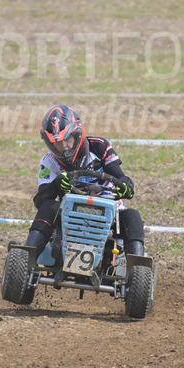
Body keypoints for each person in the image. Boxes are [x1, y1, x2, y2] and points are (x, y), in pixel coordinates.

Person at [22, 105, 146, 261]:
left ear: (77, 135)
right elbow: (40, 200)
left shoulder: (99, 145)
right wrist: (56, 186)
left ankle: (138, 266)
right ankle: (26, 258)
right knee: (48, 207)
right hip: (70, 210)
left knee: (132, 216)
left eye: (67, 139)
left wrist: (126, 186)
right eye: (58, 143)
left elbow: (119, 175)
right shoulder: (48, 162)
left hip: (108, 204)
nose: (63, 147)